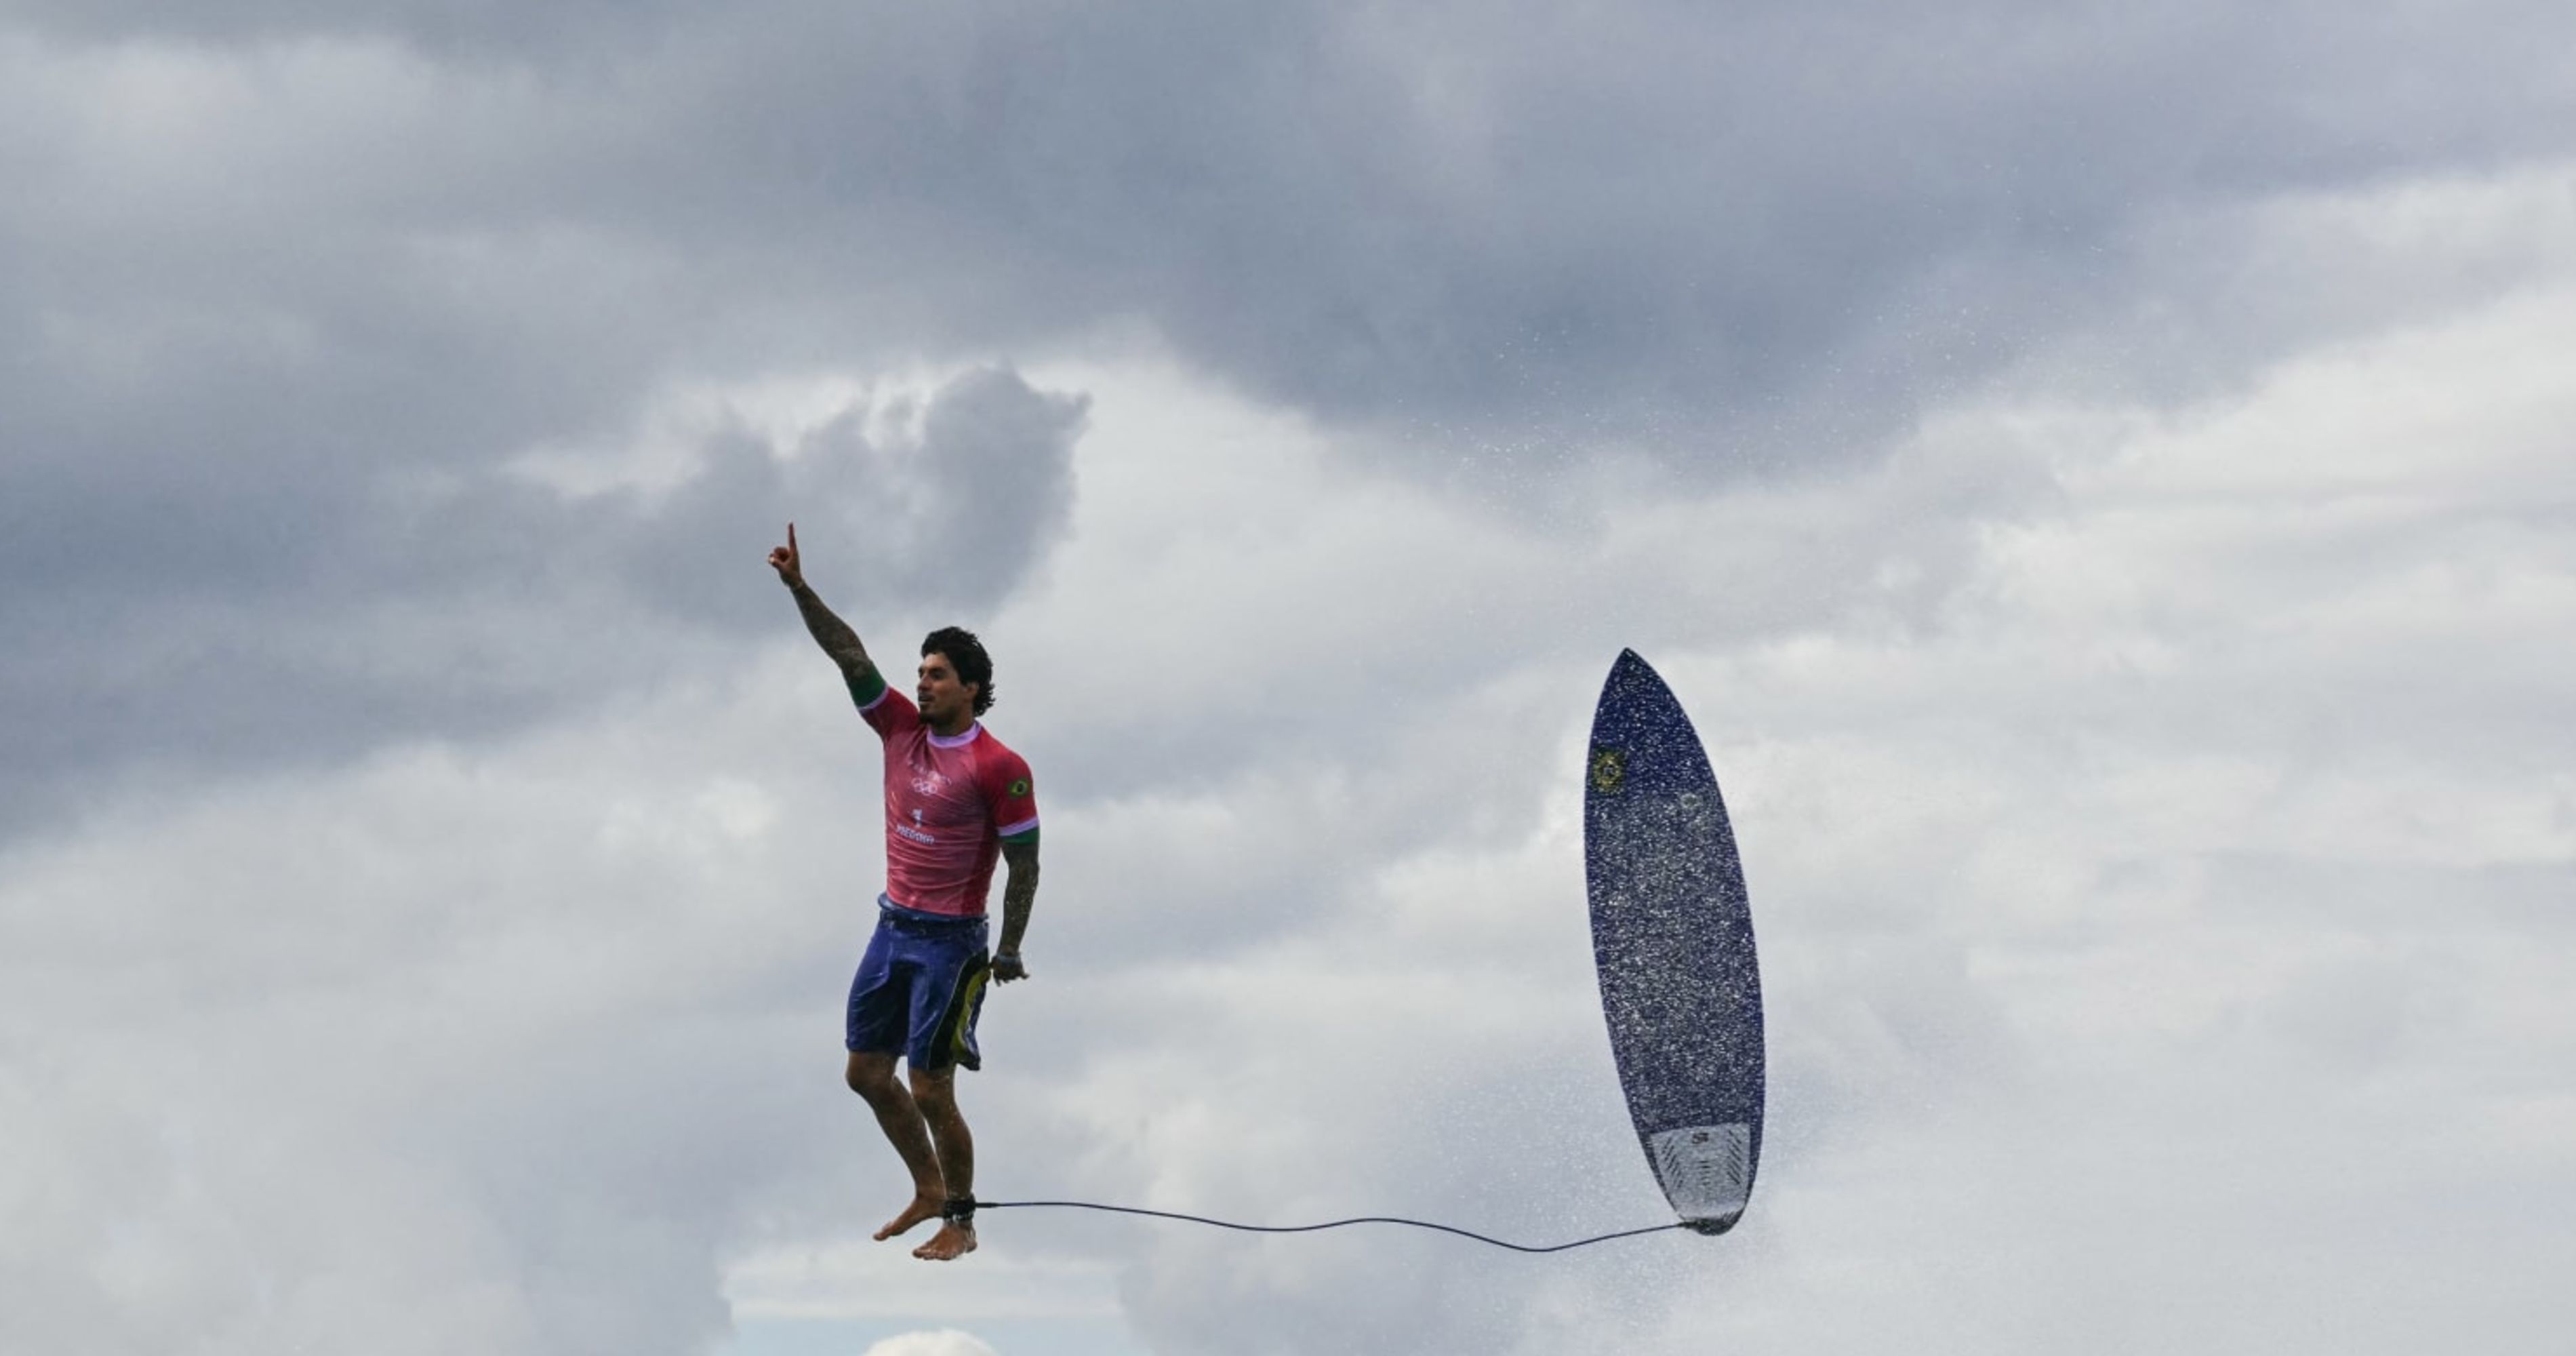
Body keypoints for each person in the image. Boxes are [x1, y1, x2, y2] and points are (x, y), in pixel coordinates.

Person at [768, 523, 1041, 1263]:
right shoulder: (897, 728)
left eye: (937, 674)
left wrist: (1010, 946)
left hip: (951, 944)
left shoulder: (999, 765)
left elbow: (1025, 862)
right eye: (920, 671)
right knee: (864, 1072)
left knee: (929, 1086)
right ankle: (925, 1186)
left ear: (971, 689)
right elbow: (848, 653)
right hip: (892, 927)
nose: (921, 682)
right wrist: (798, 587)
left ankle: (961, 1217)